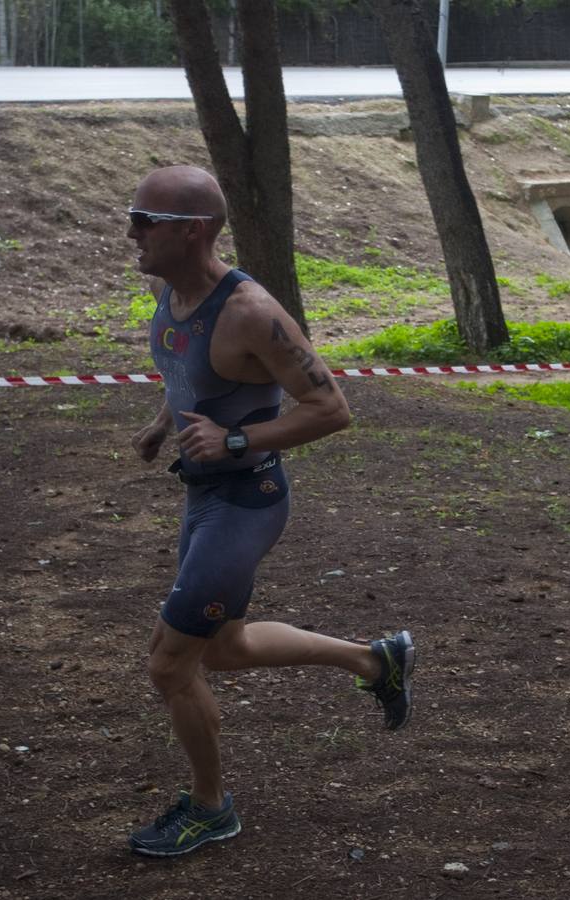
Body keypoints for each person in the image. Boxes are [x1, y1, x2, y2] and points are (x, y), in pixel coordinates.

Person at [124, 165, 416, 857]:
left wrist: (233, 438)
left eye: (143, 221)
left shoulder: (251, 313)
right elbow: (191, 369)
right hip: (203, 494)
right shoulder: (174, 292)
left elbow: (332, 410)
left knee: (170, 666)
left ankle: (210, 807)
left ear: (192, 231)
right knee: (221, 648)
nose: (130, 233)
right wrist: (164, 419)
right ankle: (375, 662)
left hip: (245, 503)